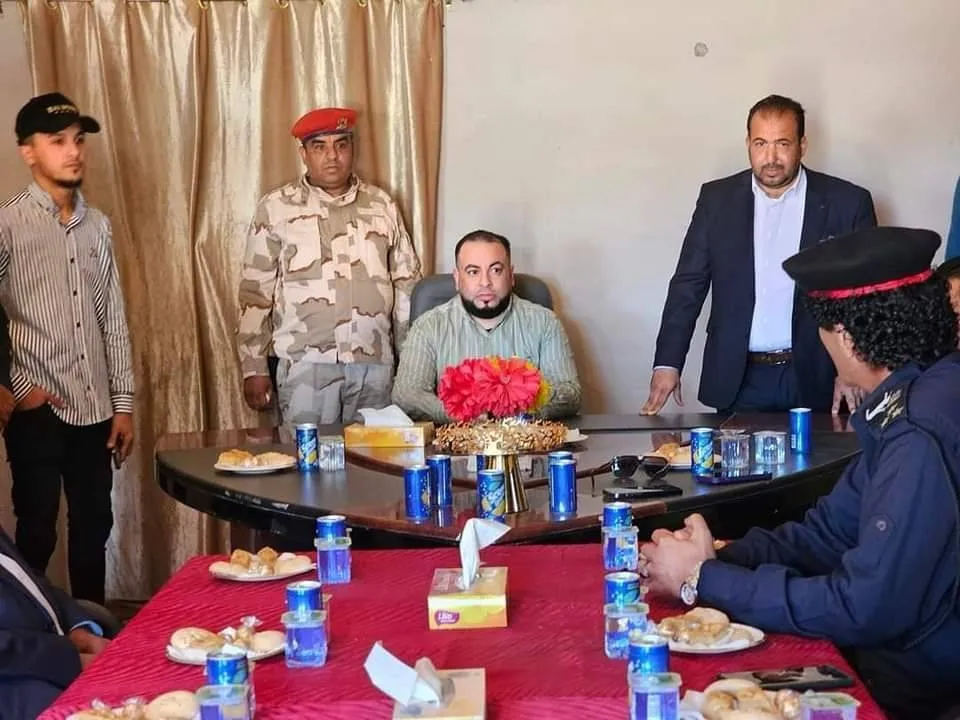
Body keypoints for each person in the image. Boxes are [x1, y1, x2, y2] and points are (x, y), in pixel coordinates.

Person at [640, 226, 960, 720]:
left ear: (847, 339)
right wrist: (716, 558)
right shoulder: (921, 393)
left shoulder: (917, 430)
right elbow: (829, 533)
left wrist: (703, 579)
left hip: (916, 683)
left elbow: (864, 608)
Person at [642, 94, 877, 416]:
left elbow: (866, 296)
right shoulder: (717, 200)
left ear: (802, 145)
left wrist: (853, 368)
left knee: (823, 452)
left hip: (818, 375)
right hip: (738, 378)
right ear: (748, 144)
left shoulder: (848, 202)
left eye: (783, 144)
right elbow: (688, 284)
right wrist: (667, 363)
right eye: (760, 144)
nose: (771, 157)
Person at [0, 93, 135, 606]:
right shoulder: (7, 225)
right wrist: (18, 388)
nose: (74, 151)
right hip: (37, 405)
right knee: (37, 529)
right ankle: (37, 627)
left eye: (78, 140)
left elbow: (111, 317)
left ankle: (93, 625)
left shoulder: (97, 225)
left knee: (94, 525)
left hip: (94, 405)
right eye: (57, 141)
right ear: (29, 152)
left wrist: (122, 404)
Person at [238, 107, 421, 425]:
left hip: (373, 366)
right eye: (319, 146)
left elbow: (406, 287)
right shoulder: (277, 209)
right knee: (306, 456)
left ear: (353, 148)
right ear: (304, 154)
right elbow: (255, 294)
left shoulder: (381, 206)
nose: (332, 156)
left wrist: (412, 363)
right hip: (306, 366)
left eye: (341, 144)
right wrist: (253, 367)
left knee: (374, 455)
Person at [392, 230, 581, 423]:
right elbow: (407, 396)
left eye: (496, 270)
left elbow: (570, 393)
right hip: (455, 437)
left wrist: (515, 403)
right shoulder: (428, 327)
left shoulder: (545, 322)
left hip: (524, 437)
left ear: (511, 276)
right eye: (473, 272)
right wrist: (463, 413)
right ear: (457, 278)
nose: (485, 282)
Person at [0, 522, 108, 719]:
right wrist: (72, 659)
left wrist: (80, 631)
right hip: (19, 686)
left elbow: (32, 581)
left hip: (58, 652)